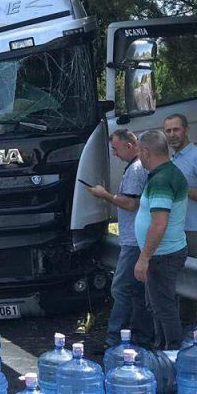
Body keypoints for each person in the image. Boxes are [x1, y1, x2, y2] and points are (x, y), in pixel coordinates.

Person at [87, 128, 153, 348]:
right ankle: (140, 335)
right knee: (136, 291)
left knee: (120, 289)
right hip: (134, 238)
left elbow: (131, 203)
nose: (114, 154)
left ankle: (114, 339)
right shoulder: (136, 167)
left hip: (133, 240)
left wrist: (104, 195)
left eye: (115, 149)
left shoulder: (135, 169)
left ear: (129, 145)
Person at [132, 128, 189, 350]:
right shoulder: (169, 172)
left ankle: (172, 355)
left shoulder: (162, 180)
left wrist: (144, 258)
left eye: (139, 153)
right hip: (164, 252)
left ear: (146, 152)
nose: (139, 158)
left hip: (162, 255)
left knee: (163, 308)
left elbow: (159, 223)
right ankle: (162, 349)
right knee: (156, 305)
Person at [163, 113, 197, 261]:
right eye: (168, 131)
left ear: (186, 130)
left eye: (176, 129)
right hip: (176, 231)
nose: (172, 135)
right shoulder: (173, 159)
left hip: (196, 232)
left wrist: (183, 189)